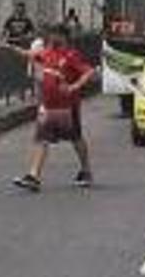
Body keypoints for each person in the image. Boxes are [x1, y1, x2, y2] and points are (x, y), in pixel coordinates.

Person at [12, 24, 95, 191]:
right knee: (41, 139)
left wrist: (74, 86)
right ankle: (34, 176)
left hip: (67, 106)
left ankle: (86, 171)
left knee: (75, 138)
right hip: (47, 105)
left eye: (53, 35)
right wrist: (11, 48)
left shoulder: (71, 55)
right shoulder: (48, 52)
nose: (50, 38)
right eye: (49, 35)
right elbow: (30, 55)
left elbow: (88, 72)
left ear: (62, 37)